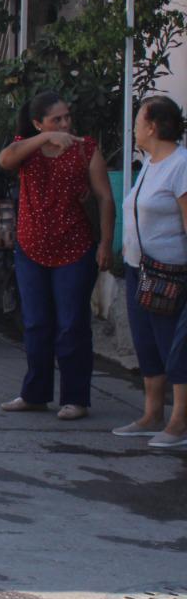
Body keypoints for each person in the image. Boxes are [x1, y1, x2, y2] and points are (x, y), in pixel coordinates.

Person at [0, 90, 114, 420]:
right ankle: (34, 394)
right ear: (38, 123)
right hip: (31, 248)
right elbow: (5, 160)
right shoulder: (27, 148)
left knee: (71, 325)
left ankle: (76, 398)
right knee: (35, 324)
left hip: (74, 249)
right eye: (56, 119)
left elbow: (105, 198)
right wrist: (45, 138)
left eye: (67, 117)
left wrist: (106, 243)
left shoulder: (84, 148)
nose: (65, 124)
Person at [114, 96, 187, 448]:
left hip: (169, 274)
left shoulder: (180, 164)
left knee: (172, 345)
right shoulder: (151, 163)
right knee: (146, 343)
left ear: (153, 126)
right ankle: (151, 413)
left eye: (139, 121)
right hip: (137, 268)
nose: (135, 129)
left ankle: (179, 422)